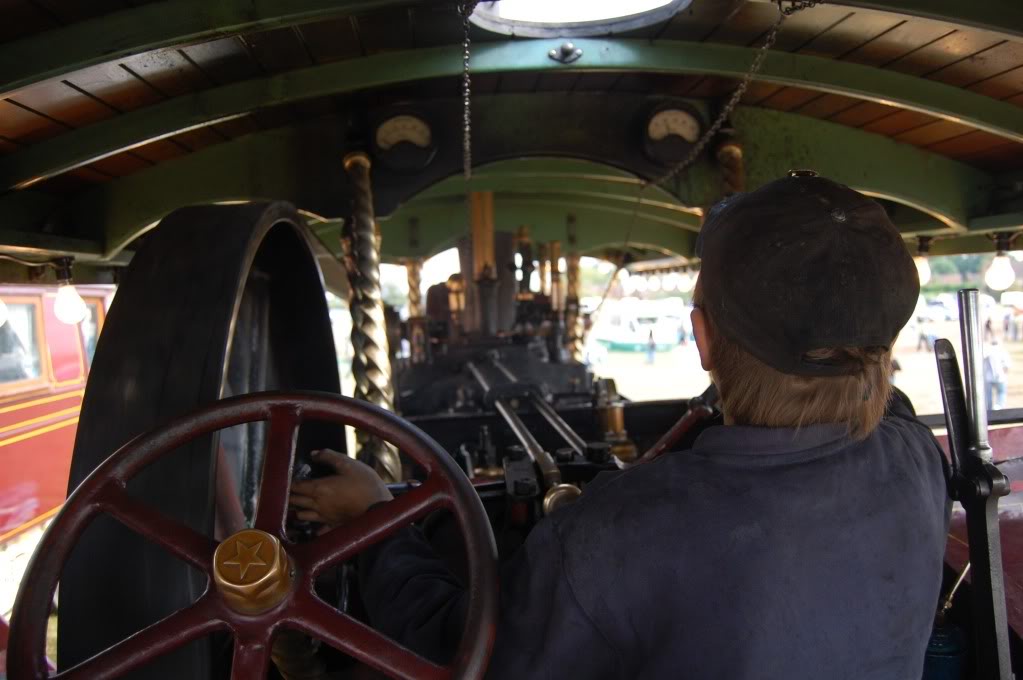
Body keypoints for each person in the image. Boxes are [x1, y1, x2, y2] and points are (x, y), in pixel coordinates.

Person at [290, 174, 950, 679]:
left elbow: (461, 656)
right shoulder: (918, 459)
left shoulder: (616, 531)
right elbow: (886, 408)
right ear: (883, 341)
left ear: (702, 340)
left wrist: (376, 522)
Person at [984, 336, 1011, 409]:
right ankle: (998, 408)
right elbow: (1007, 366)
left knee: (988, 396)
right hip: (1000, 377)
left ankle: (989, 411)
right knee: (1001, 394)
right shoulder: (1002, 351)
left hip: (988, 378)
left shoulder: (987, 351)